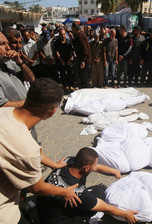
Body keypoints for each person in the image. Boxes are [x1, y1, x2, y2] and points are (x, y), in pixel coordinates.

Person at [0, 78, 81, 224]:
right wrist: (65, 191)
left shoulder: (5, 112)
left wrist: (53, 165)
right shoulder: (26, 148)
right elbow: (37, 188)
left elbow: (22, 150)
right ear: (52, 111)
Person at [37, 147, 138, 224]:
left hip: (43, 205)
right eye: (94, 165)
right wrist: (126, 213)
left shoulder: (69, 161)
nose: (95, 167)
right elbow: (104, 208)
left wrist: (114, 171)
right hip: (54, 220)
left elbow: (96, 167)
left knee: (97, 190)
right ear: (86, 168)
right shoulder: (77, 191)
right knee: (100, 195)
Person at [0, 31, 34, 108]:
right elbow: (2, 105)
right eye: (2, 44)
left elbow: (31, 78)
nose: (8, 48)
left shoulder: (9, 64)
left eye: (7, 43)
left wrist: (20, 62)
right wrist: (31, 103)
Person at [70, 23, 92, 88]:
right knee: (82, 76)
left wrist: (83, 61)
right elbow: (77, 46)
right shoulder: (78, 35)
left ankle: (86, 90)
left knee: (84, 77)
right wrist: (72, 39)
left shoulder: (81, 35)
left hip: (84, 60)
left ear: (74, 29)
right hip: (82, 59)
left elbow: (85, 49)